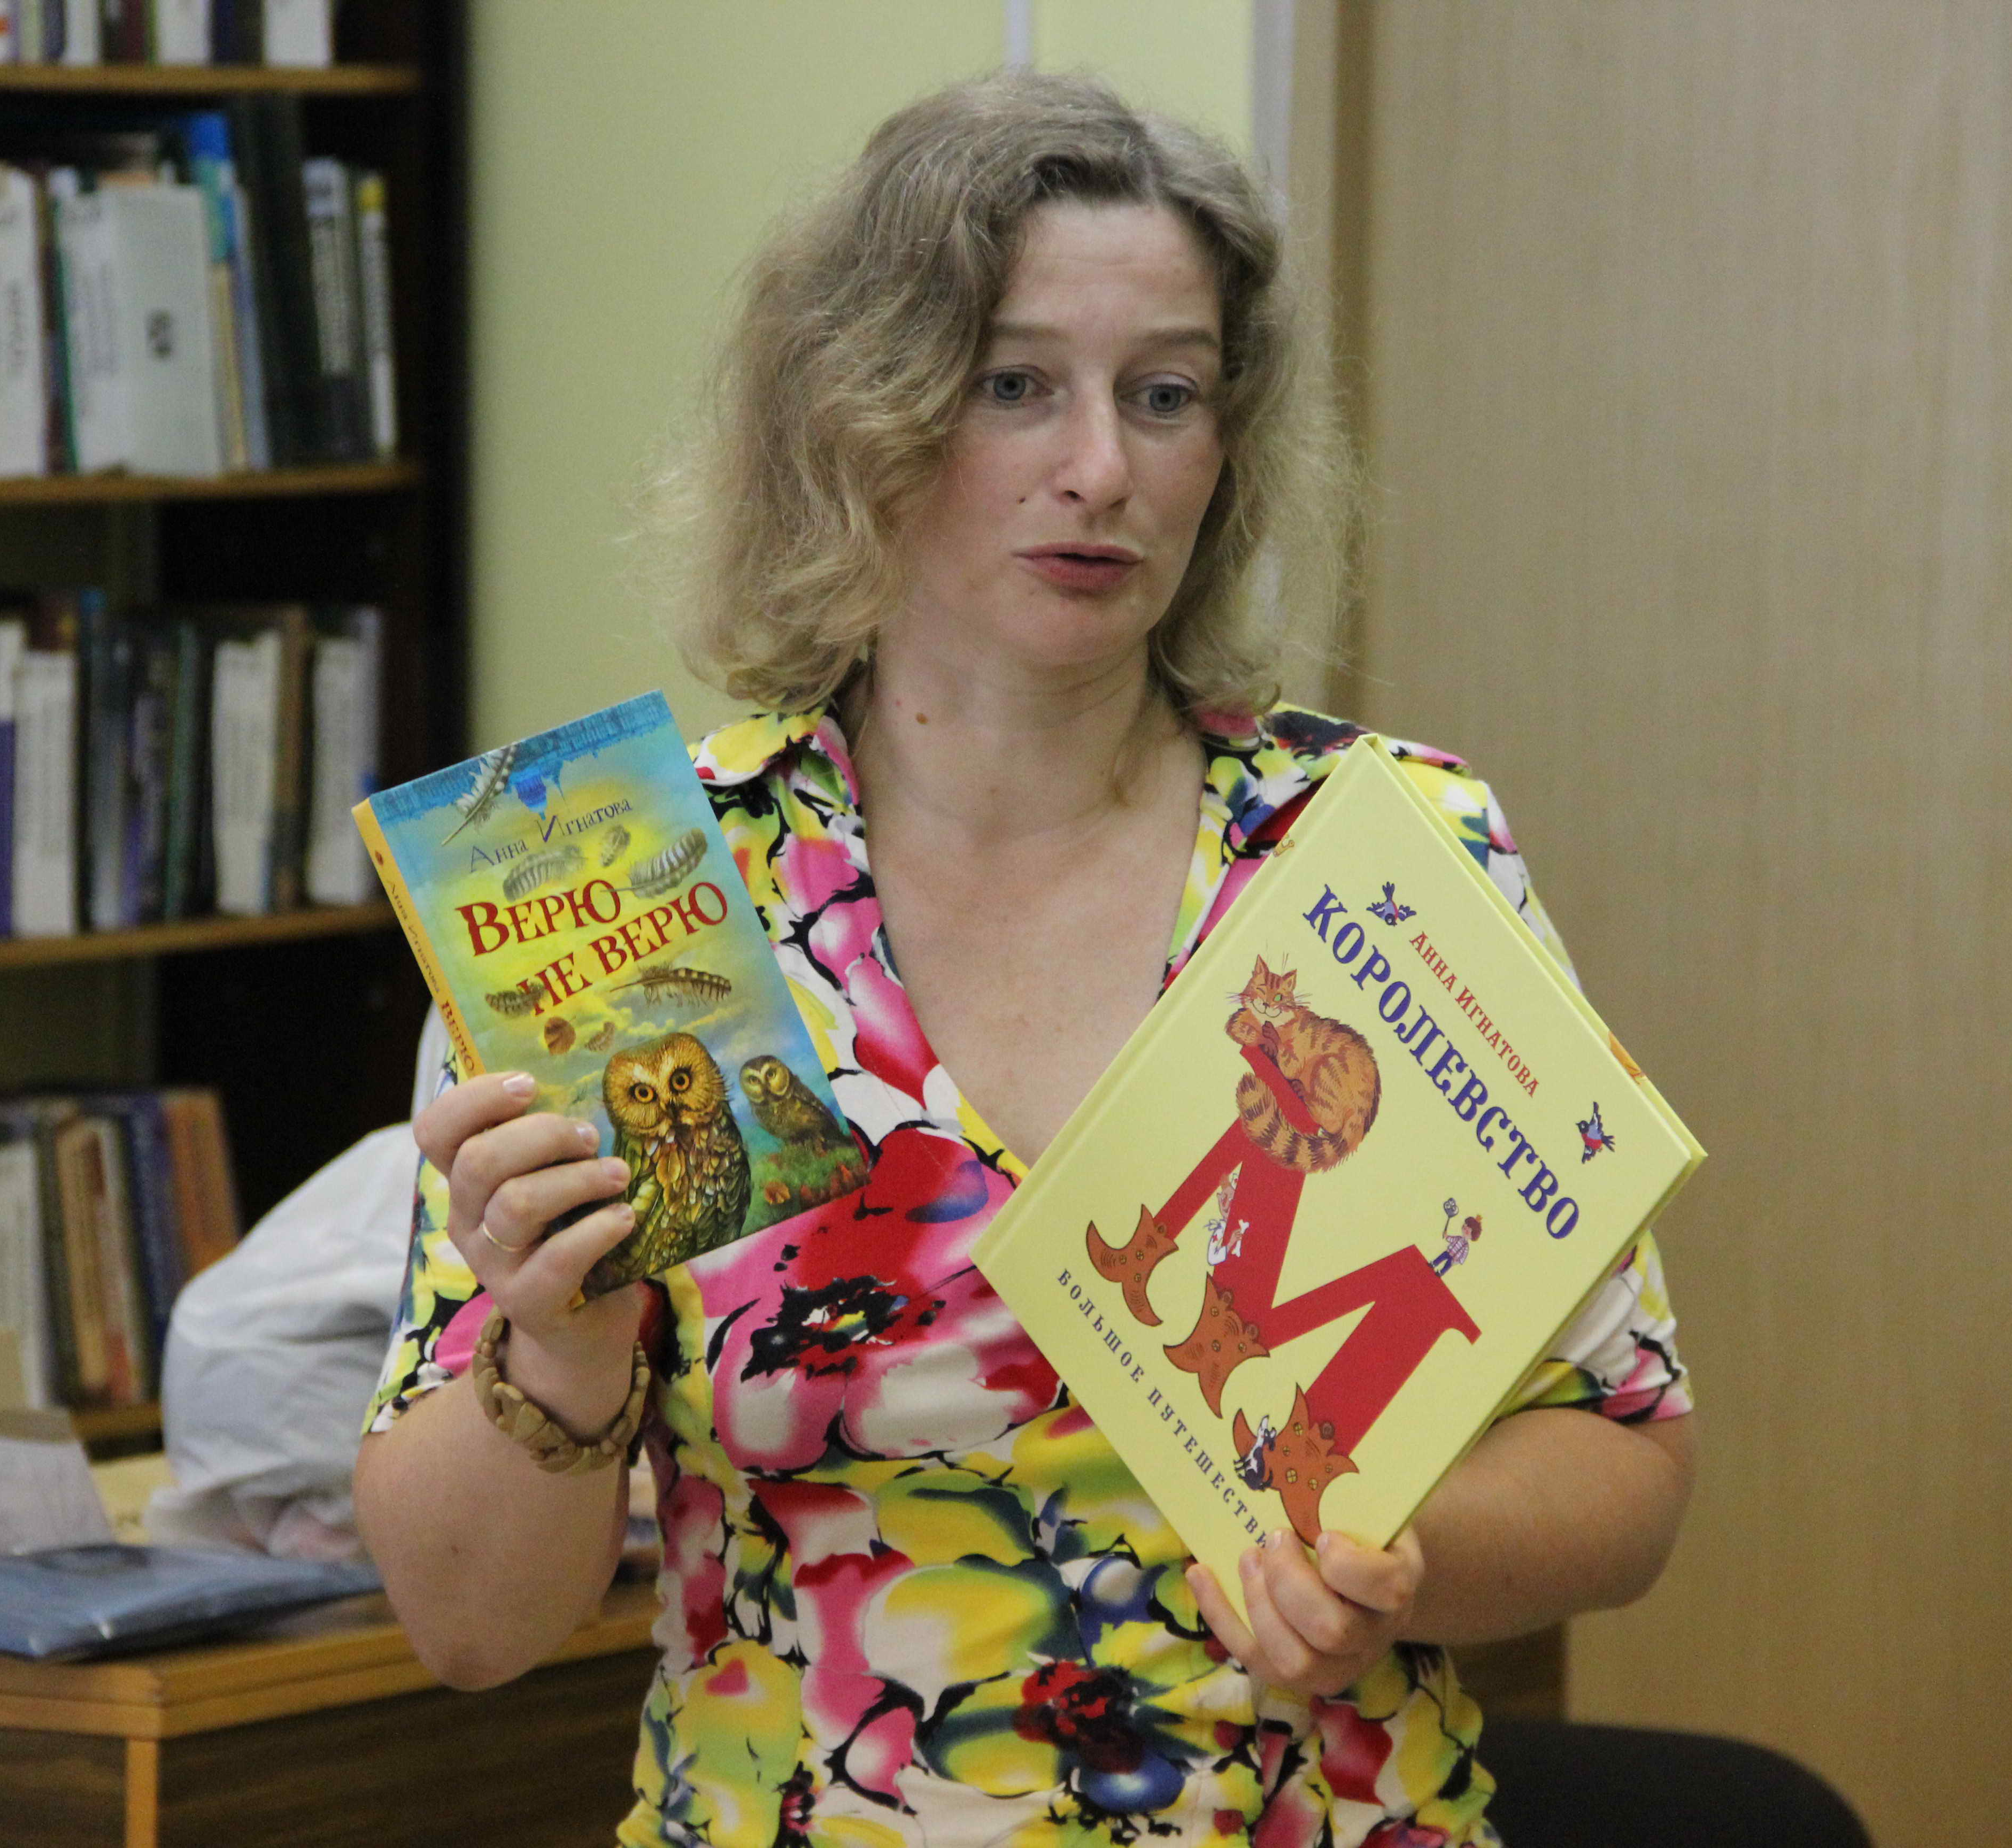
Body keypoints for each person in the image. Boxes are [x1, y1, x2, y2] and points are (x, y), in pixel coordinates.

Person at [354, 71, 1695, 1846]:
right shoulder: (642, 888)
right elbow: (468, 1630)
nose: (1102, 469)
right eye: (1015, 385)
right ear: (864, 415)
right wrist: (563, 1345)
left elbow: (1627, 1453)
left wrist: (1399, 1558)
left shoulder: (1372, 856)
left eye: (1167, 396)